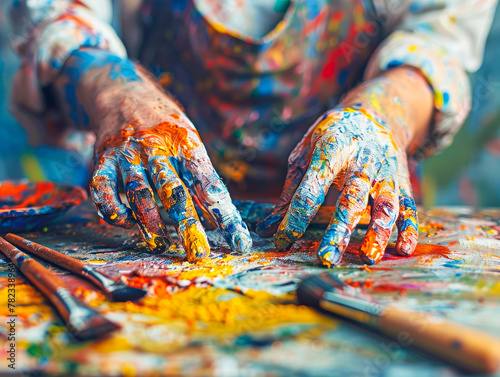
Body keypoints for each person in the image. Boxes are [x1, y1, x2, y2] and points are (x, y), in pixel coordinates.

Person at [7, 0, 496, 267]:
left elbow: (437, 42)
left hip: (350, 233)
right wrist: (116, 94)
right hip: (154, 232)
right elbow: (56, 18)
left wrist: (382, 113)